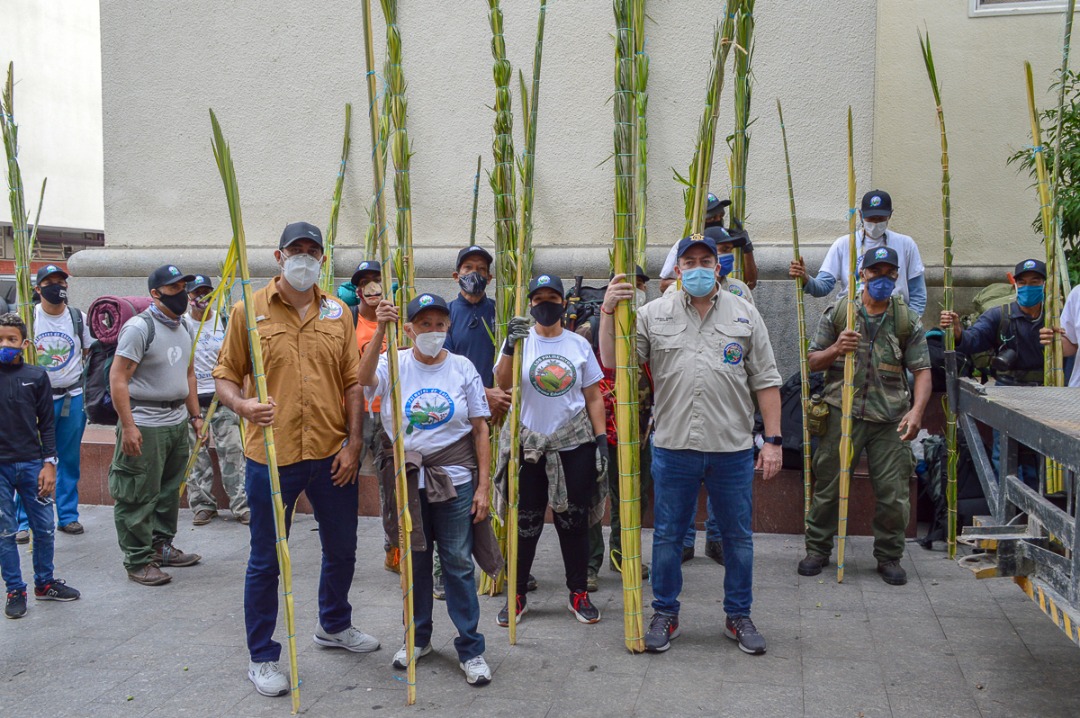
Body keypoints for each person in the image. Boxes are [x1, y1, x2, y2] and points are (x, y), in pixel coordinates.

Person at [213, 222, 378, 699]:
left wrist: (353, 444)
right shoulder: (249, 310)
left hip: (331, 454)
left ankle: (334, 624)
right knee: (267, 559)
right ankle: (262, 657)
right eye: (296, 250)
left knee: (342, 548)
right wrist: (243, 406)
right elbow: (225, 376)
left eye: (313, 250)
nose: (304, 257)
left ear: (323, 259)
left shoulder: (338, 311)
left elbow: (352, 382)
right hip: (271, 455)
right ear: (279, 256)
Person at [600, 233, 784, 655]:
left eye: (707, 260)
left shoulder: (745, 314)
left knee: (738, 537)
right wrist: (609, 310)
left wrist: (772, 442)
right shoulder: (652, 314)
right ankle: (665, 613)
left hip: (732, 448)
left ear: (718, 266)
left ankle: (738, 614)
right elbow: (614, 362)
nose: (698, 267)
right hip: (673, 446)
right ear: (677, 268)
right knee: (667, 536)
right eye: (690, 261)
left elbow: (767, 381)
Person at [360, 292, 496, 686]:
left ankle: (471, 648)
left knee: (456, 562)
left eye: (439, 324)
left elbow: (480, 428)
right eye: (424, 325)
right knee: (415, 563)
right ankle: (417, 638)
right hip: (408, 479)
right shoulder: (393, 362)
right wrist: (380, 331)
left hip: (455, 480)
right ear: (409, 328)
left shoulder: (462, 368)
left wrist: (483, 487)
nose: (432, 332)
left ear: (448, 327)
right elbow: (363, 379)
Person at [799, 246, 931, 586]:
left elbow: (922, 370)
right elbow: (811, 360)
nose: (883, 279)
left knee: (893, 494)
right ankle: (818, 548)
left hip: (890, 420)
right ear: (862, 275)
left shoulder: (906, 320)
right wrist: (836, 349)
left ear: (897, 277)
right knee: (829, 486)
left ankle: (889, 555)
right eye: (876, 272)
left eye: (890, 273)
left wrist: (917, 412)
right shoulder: (841, 311)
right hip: (842, 414)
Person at [494, 274, 606, 627]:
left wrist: (601, 440)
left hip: (573, 444)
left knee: (572, 522)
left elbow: (592, 395)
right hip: (528, 446)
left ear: (563, 303)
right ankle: (517, 594)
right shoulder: (520, 342)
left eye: (552, 298)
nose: (545, 304)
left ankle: (578, 592)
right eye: (538, 298)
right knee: (525, 522)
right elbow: (503, 384)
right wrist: (511, 347)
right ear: (529, 304)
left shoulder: (578, 344)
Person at [108, 265, 203, 587]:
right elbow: (119, 378)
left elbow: (188, 374)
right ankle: (137, 560)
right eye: (174, 289)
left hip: (176, 421)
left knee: (167, 492)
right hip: (145, 422)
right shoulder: (139, 328)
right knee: (137, 494)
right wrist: (129, 426)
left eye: (183, 288)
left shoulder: (185, 327)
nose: (182, 295)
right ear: (155, 293)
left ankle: (161, 546)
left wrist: (195, 417)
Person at [941, 258, 1049, 488]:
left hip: (1047, 393)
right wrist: (958, 332)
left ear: (1045, 285)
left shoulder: (1055, 317)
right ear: (1015, 286)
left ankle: (1042, 508)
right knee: (1005, 453)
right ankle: (1009, 510)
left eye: (1035, 281)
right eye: (1024, 282)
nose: (1029, 287)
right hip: (1008, 391)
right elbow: (971, 341)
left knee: (1044, 454)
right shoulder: (999, 315)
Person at [0, 312, 80, 619]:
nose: (5, 344)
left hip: (33, 464)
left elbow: (47, 424)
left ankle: (44, 584)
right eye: (0, 339)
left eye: (11, 339)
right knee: (6, 532)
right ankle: (14, 589)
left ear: (24, 343)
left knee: (44, 528)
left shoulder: (36, 376)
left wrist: (50, 464)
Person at [12, 265, 93, 543]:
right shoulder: (28, 317)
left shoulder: (76, 318)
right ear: (38, 289)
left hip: (71, 396)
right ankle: (24, 520)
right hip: (34, 400)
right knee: (30, 459)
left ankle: (68, 515)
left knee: (68, 458)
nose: (57, 286)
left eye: (61, 281)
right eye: (50, 282)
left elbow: (87, 351)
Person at [586, 265, 653, 592]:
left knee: (631, 496)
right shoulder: (598, 323)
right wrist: (609, 310)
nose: (634, 291)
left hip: (639, 431)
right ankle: (589, 563)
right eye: (627, 284)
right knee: (595, 496)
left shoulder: (651, 323)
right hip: (602, 429)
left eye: (639, 285)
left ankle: (623, 552)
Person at [789, 190, 928, 315]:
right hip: (852, 315)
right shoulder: (844, 244)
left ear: (890, 215)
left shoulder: (906, 244)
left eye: (880, 218)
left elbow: (918, 294)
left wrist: (910, 324)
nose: (875, 223)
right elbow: (823, 287)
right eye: (871, 218)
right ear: (860, 215)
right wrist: (805, 278)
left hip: (894, 316)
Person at [186, 274, 248, 526]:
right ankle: (202, 505)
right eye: (197, 293)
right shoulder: (181, 325)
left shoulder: (225, 322)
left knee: (233, 451)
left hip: (223, 399)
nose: (203, 298)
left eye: (207, 293)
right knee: (195, 454)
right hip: (192, 400)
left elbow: (238, 361)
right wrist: (192, 413)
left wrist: (241, 398)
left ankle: (241, 504)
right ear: (189, 297)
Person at [350, 261, 399, 573]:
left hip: (390, 412)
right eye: (365, 282)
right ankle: (341, 544)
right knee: (343, 476)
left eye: (377, 280)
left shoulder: (399, 319)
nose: (371, 287)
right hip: (357, 412)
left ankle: (393, 548)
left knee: (391, 484)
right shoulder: (347, 323)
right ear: (357, 290)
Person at [658, 194, 759, 290]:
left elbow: (750, 283)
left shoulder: (730, 242)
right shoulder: (685, 245)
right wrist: (695, 283)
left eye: (721, 216)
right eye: (712, 218)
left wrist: (747, 247)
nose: (718, 220)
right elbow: (663, 285)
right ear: (700, 219)